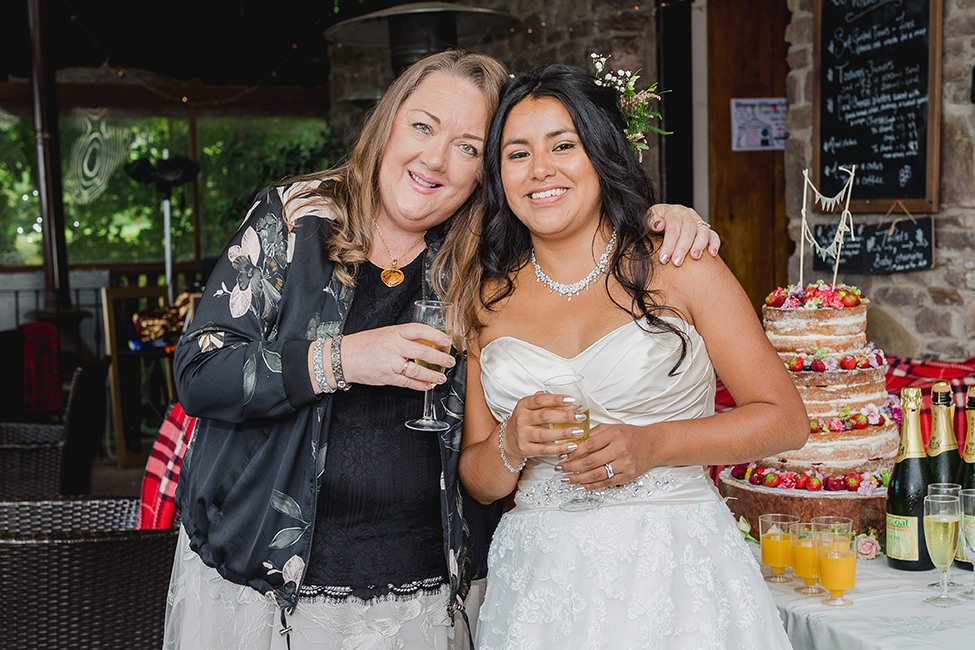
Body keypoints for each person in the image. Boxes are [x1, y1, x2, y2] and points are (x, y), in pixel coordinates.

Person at [164, 50, 719, 650]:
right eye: (423, 127)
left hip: (427, 587)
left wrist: (657, 219)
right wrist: (342, 359)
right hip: (271, 584)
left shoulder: (490, 257)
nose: (435, 159)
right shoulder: (296, 218)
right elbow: (199, 371)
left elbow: (582, 228)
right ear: (389, 123)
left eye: (468, 147)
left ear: (486, 172)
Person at [458, 63, 808, 649]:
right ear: (499, 176)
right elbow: (480, 481)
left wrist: (654, 445)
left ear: (601, 154)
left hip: (678, 572)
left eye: (563, 146)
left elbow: (785, 419)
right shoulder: (484, 301)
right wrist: (510, 444)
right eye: (517, 154)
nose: (540, 169)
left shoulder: (683, 264)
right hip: (542, 588)